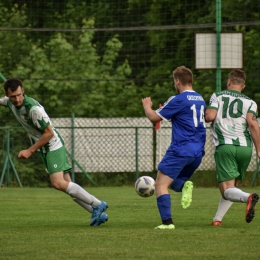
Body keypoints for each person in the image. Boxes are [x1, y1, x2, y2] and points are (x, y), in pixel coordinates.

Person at [0, 78, 108, 226]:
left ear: (23, 91)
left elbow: (49, 133)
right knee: (67, 186)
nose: (17, 99)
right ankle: (98, 214)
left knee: (57, 183)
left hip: (52, 145)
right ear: (7, 95)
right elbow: (3, 101)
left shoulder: (32, 109)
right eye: (13, 96)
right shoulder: (10, 103)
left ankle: (97, 204)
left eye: (19, 95)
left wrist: (30, 150)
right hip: (45, 148)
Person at [142, 66, 206, 229]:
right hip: (198, 151)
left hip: (181, 149)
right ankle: (185, 185)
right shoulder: (200, 99)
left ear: (177, 81)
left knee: (160, 184)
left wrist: (147, 106)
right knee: (173, 182)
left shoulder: (177, 99)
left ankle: (167, 223)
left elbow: (154, 118)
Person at [205, 69, 260, 226]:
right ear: (243, 86)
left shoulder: (218, 96)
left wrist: (203, 114)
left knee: (226, 190)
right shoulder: (251, 103)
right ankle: (217, 220)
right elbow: (253, 124)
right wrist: (259, 149)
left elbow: (210, 116)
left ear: (229, 82)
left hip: (226, 147)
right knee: (232, 186)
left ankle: (248, 197)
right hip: (245, 149)